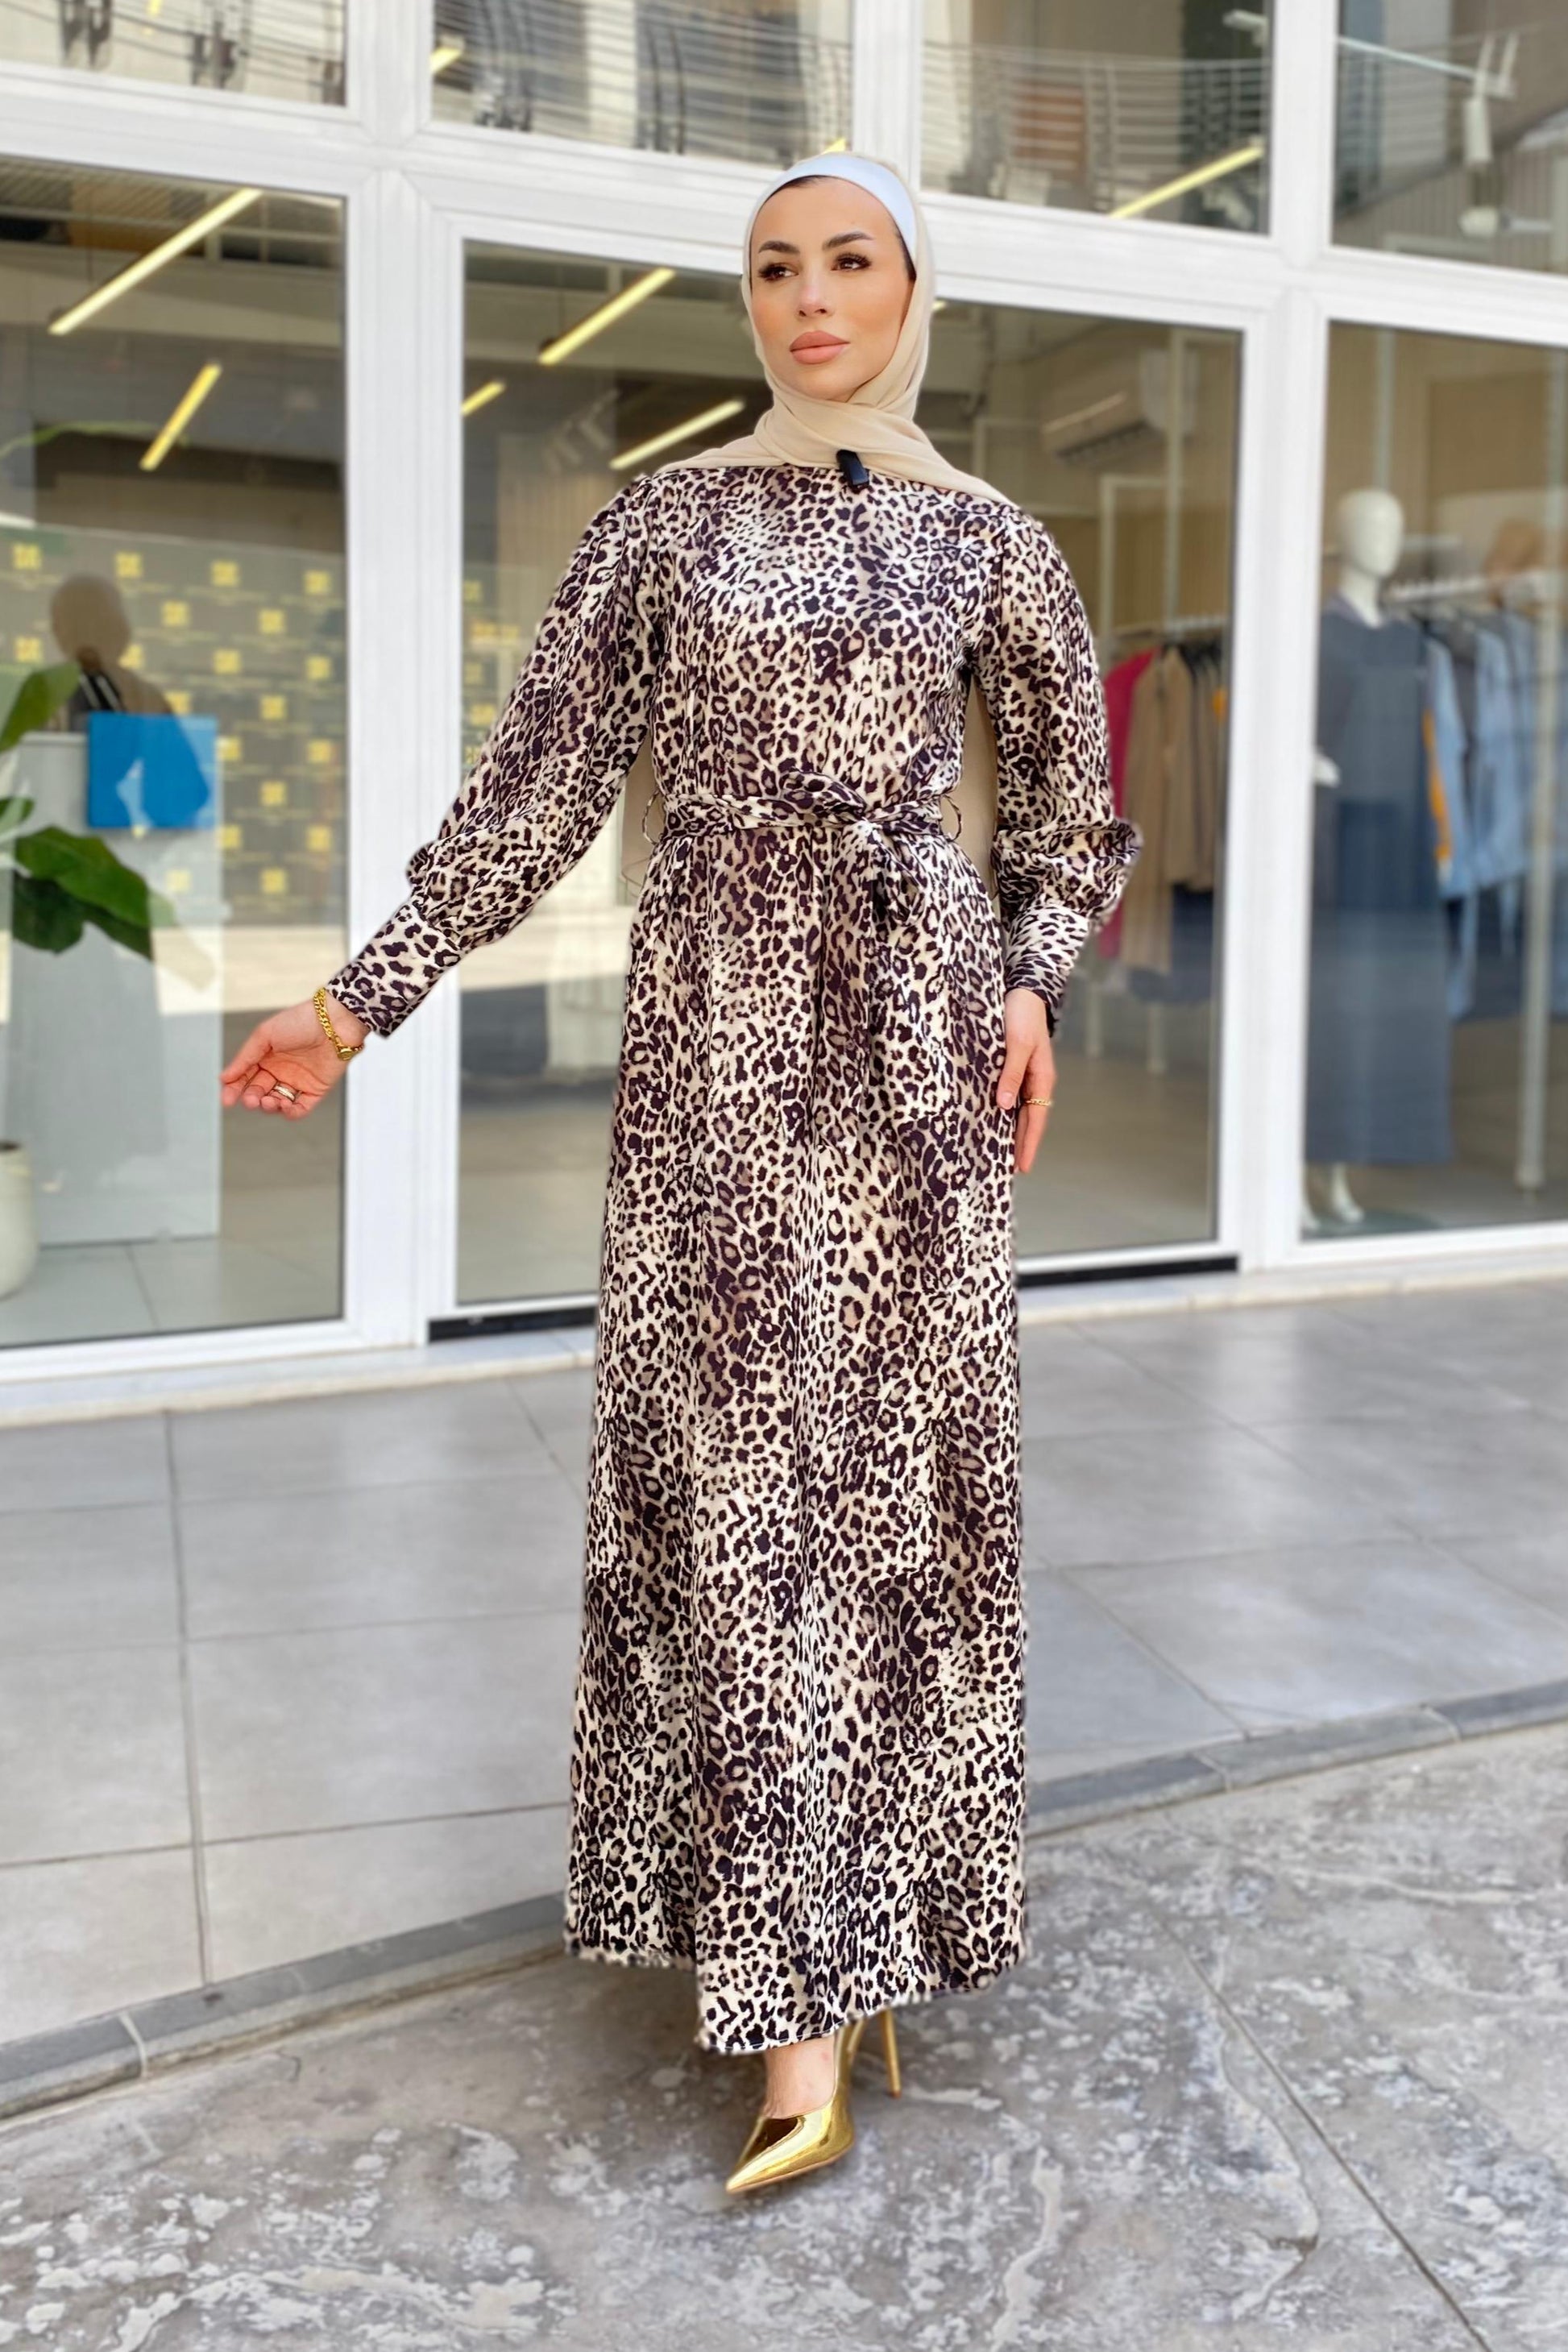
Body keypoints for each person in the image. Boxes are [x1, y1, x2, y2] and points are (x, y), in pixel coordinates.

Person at [220, 149, 1139, 2195]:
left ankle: (847, 1960)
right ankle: (791, 1992)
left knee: (879, 1500)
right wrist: (356, 1000)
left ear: (915, 287)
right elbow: (538, 778)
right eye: (773, 269)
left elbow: (1075, 818)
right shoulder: (664, 519)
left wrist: (1027, 979)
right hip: (715, 1042)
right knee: (736, 1498)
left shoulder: (993, 540)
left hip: (910, 1053)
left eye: (848, 263)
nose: (809, 300)